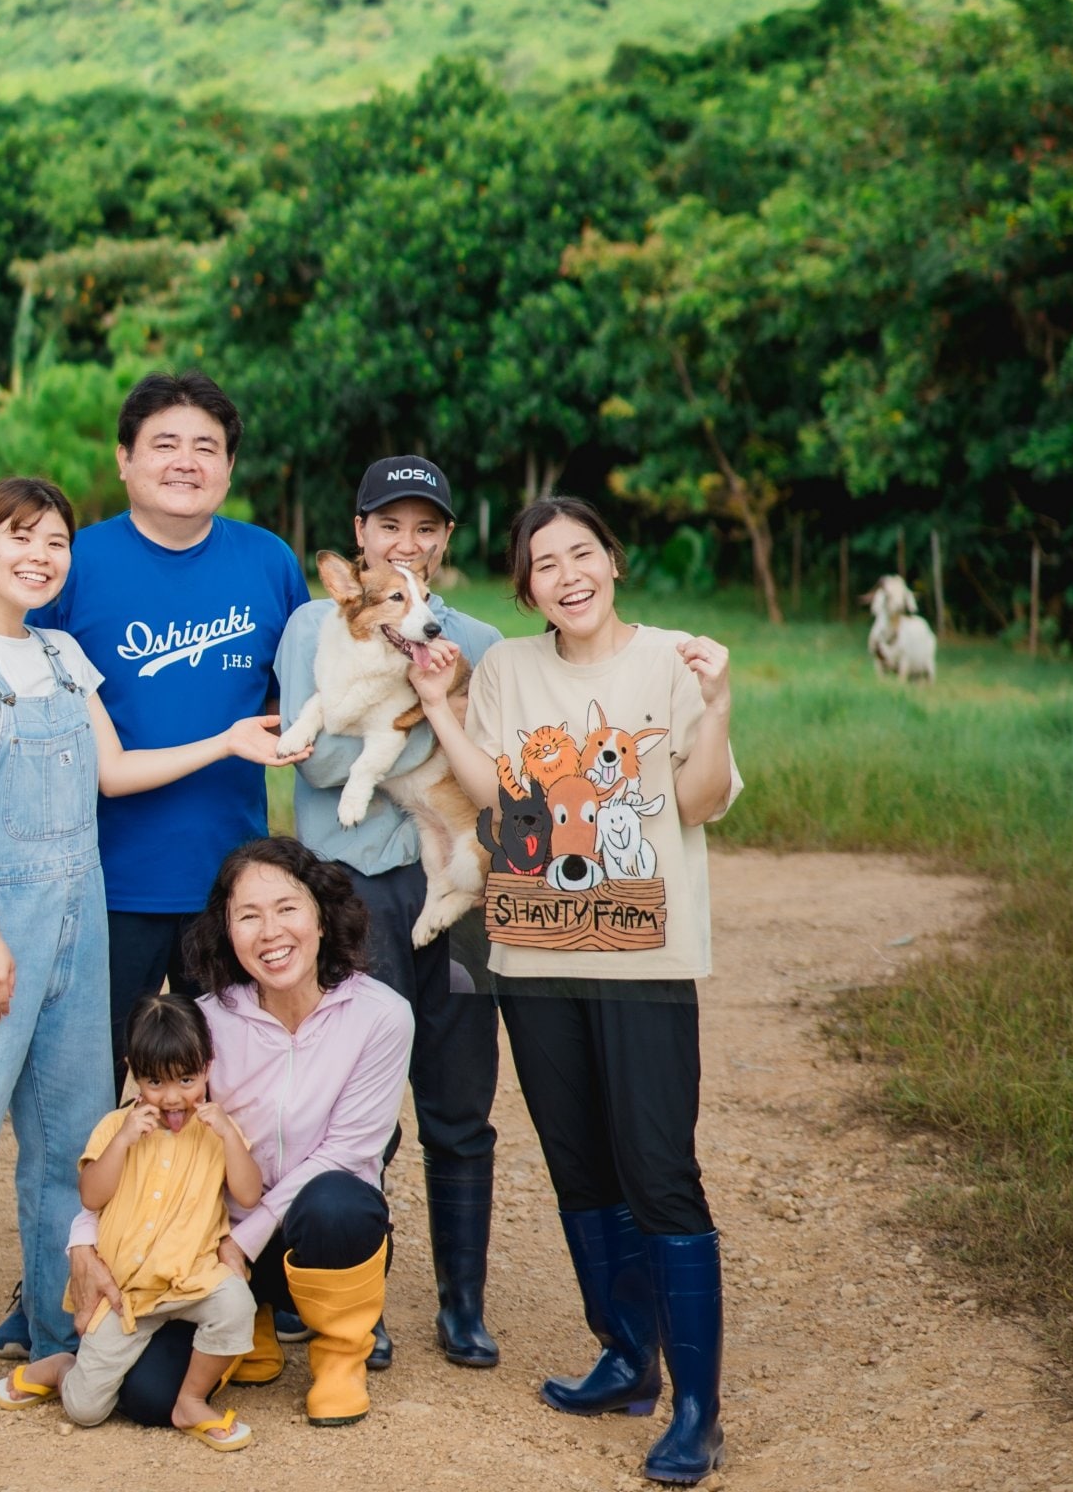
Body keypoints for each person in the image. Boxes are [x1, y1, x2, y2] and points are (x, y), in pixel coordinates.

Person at [0, 478, 305, 1422]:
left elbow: (114, 773)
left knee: (64, 1148)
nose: (40, 556)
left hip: (82, 919)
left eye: (57, 543)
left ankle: (58, 1329)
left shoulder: (65, 655)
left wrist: (228, 741)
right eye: (19, 539)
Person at [407, 496, 740, 1486]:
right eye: (543, 564)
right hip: (533, 953)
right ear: (526, 589)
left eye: (580, 553)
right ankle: (627, 1358)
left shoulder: (674, 659)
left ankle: (698, 1410)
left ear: (614, 562)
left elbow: (696, 800)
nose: (566, 574)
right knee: (580, 1166)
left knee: (657, 1168)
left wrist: (718, 708)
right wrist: (434, 706)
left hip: (646, 960)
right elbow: (495, 792)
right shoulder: (508, 668)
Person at [0, 370, 309, 1362]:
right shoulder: (72, 563)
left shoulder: (267, 564)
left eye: (207, 446)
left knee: (234, 1090)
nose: (186, 461)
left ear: (229, 467)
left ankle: (241, 1274)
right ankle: (66, 1273)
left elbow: (320, 683)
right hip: (106, 880)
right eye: (164, 443)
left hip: (230, 892)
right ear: (125, 460)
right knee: (93, 1096)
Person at [275, 456, 504, 1369]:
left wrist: (430, 701)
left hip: (460, 892)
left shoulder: (478, 639)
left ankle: (464, 1306)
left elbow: (496, 773)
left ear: (445, 541)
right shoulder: (312, 628)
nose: (407, 541)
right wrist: (413, 702)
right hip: (354, 888)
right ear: (360, 538)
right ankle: (353, 1305)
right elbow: (317, 762)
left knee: (460, 1100)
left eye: (426, 527)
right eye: (388, 525)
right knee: (356, 1104)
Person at [65, 837, 414, 1431]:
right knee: (149, 1399)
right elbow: (137, 1129)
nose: (270, 932)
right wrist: (83, 1241)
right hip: (207, 1250)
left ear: (322, 917)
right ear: (226, 932)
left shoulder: (380, 1016)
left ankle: (340, 1357)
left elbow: (346, 1153)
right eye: (248, 916)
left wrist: (244, 1242)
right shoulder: (206, 1019)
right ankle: (249, 1326)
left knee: (339, 1200)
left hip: (305, 1232)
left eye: (287, 908)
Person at [0, 994, 262, 1452]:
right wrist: (121, 1143)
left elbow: (249, 1193)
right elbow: (91, 1196)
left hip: (191, 1280)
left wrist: (229, 1138)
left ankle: (192, 1400)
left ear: (209, 1067)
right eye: (155, 1081)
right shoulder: (116, 1128)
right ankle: (60, 1368)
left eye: (187, 1079)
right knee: (85, 1410)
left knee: (236, 1304)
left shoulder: (220, 1131)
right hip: (125, 1295)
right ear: (133, 1071)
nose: (172, 1096)